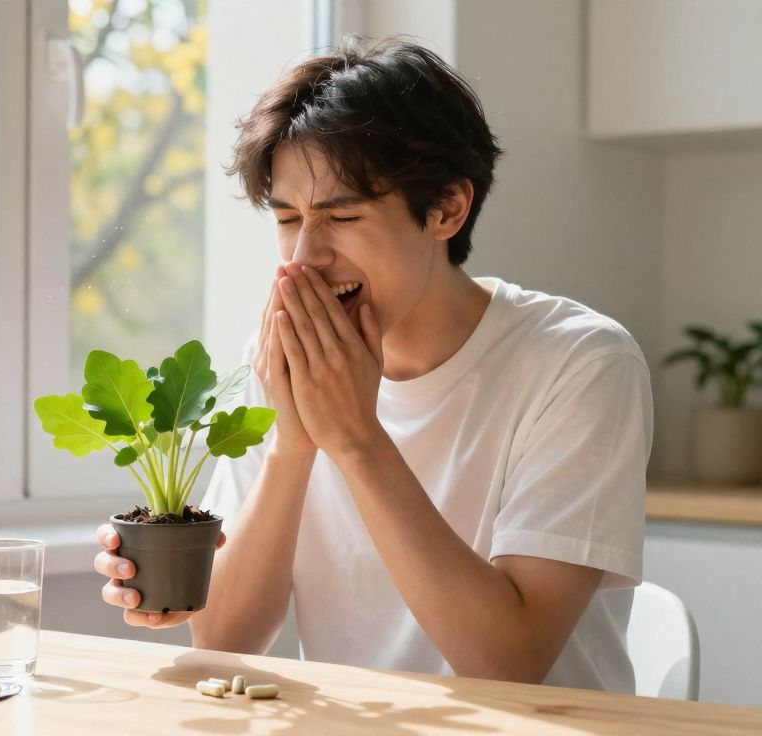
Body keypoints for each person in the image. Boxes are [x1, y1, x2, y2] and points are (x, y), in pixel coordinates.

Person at [93, 37, 653, 691]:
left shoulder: (581, 363)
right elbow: (223, 639)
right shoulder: (284, 357)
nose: (304, 256)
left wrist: (355, 438)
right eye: (287, 218)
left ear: (446, 209)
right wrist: (292, 447)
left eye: (342, 215)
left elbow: (509, 663)